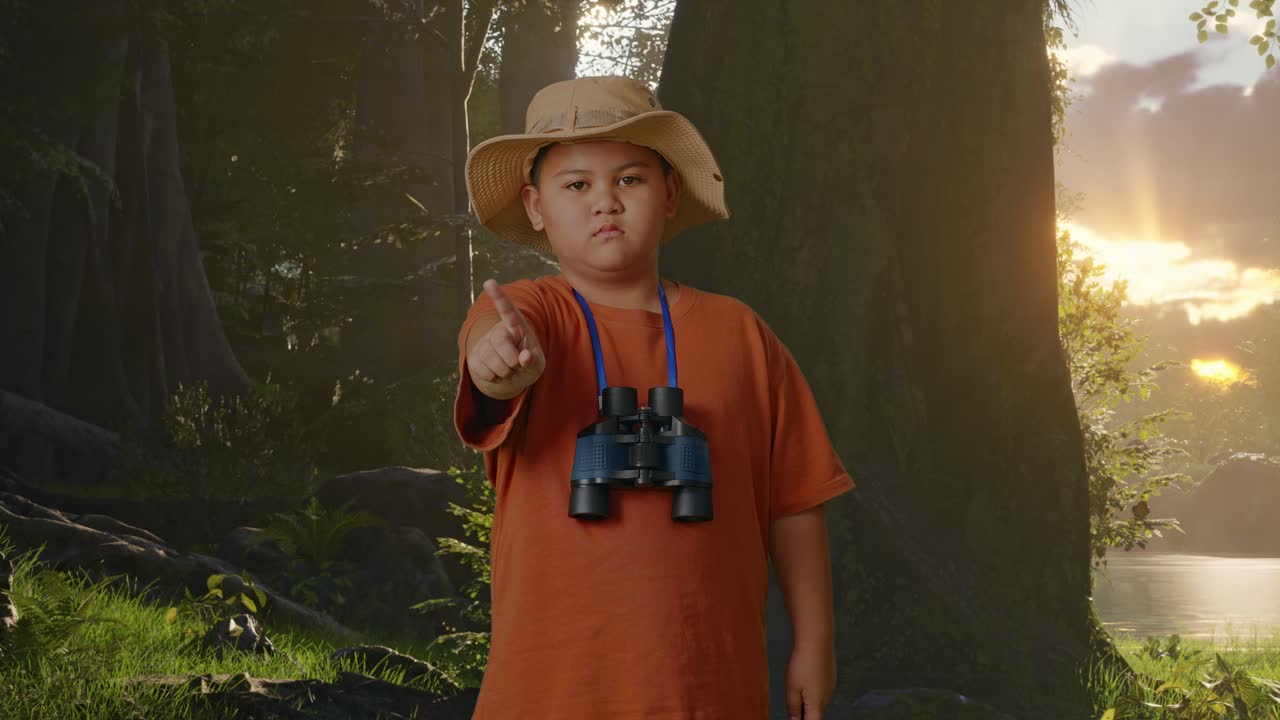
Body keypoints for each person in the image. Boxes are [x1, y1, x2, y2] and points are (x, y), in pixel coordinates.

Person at [454, 74, 855, 720]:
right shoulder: (534, 314)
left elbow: (796, 502)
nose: (605, 202)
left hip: (707, 690)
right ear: (535, 206)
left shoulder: (742, 336)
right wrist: (498, 361)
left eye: (630, 180)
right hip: (548, 696)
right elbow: (489, 360)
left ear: (671, 193)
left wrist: (815, 642)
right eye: (577, 184)